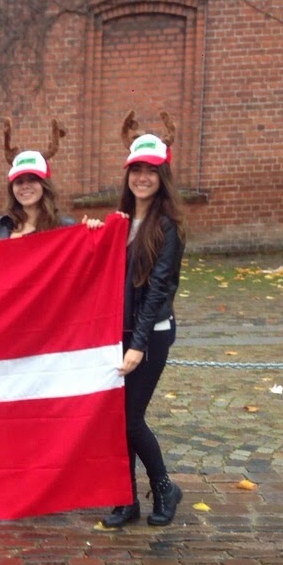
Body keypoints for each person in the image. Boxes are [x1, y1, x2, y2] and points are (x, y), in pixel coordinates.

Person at [102, 112, 185, 528]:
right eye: (136, 170)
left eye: (150, 171)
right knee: (117, 420)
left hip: (150, 335)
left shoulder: (168, 227)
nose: (142, 178)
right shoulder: (118, 223)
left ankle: (165, 487)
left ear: (162, 176)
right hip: (116, 332)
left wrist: (137, 344)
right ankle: (127, 498)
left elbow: (158, 290)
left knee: (130, 419)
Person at [0, 117, 72, 240]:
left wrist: (92, 231)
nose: (25, 186)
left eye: (32, 179)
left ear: (44, 185)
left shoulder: (65, 227)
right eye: (19, 182)